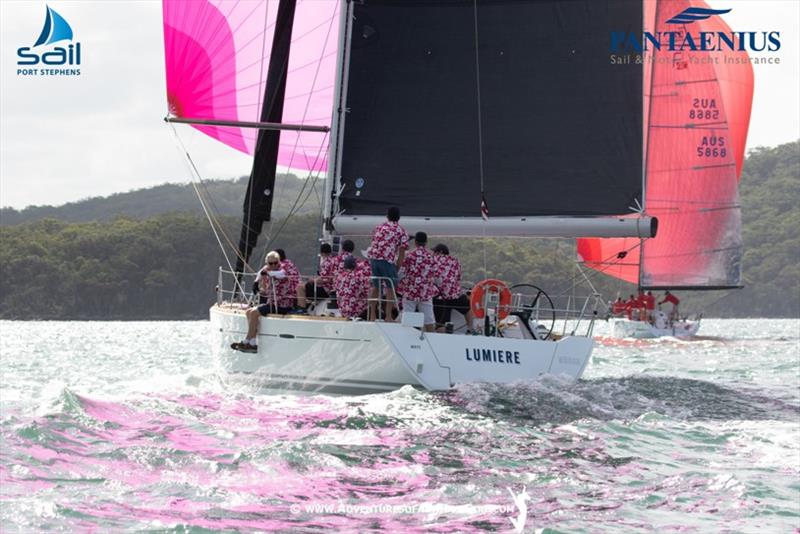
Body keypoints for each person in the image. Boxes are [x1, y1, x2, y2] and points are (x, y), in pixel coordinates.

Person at [231, 251, 293, 353]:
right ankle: (252, 342)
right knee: (248, 311)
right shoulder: (268, 269)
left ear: (279, 261)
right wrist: (256, 282)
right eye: (270, 263)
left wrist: (268, 273)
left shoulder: (283, 269)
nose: (273, 265)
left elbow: (281, 274)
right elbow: (261, 272)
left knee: (254, 313)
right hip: (272, 303)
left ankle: (246, 340)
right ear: (267, 263)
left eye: (275, 262)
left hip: (282, 304)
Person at [366, 206, 408, 321]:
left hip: (374, 259)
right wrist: (397, 268)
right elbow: (402, 252)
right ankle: (388, 316)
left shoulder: (378, 227)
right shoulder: (401, 231)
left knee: (376, 286)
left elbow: (374, 242)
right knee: (390, 287)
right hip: (387, 261)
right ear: (399, 217)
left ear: (387, 216)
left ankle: (372, 315)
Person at [398, 231, 436, 332]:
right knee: (429, 320)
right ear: (426, 242)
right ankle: (431, 342)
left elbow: (401, 273)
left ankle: (407, 340)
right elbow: (434, 273)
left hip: (410, 291)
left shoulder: (409, 255)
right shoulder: (431, 256)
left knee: (408, 320)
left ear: (415, 242)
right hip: (425, 292)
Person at [431, 243, 473, 333]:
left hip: (440, 296)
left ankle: (444, 336)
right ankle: (470, 328)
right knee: (467, 308)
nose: (433, 253)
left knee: (440, 324)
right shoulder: (455, 260)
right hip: (455, 294)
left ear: (440, 252)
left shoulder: (433, 260)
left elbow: (431, 277)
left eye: (434, 252)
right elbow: (458, 277)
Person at [334, 255, 371, 319]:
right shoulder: (359, 276)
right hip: (357, 312)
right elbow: (367, 293)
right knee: (373, 305)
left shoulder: (339, 277)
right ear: (356, 265)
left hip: (343, 311)